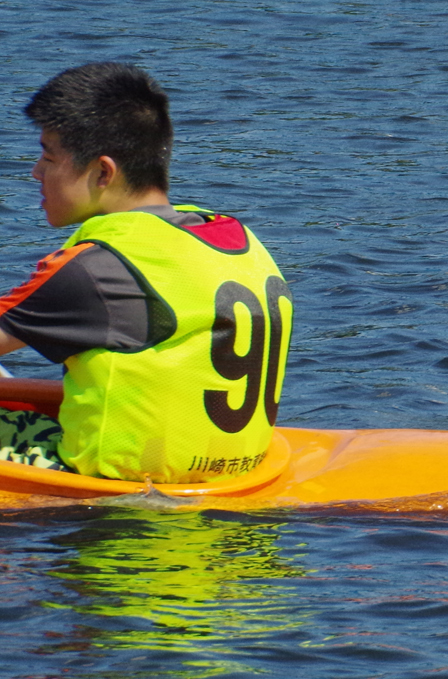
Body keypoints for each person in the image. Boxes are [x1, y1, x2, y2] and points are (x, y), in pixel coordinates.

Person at [0, 62, 293, 482]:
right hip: (232, 474)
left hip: (113, 491)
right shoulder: (239, 239)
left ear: (103, 172)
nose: (36, 172)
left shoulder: (96, 268)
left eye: (48, 156)